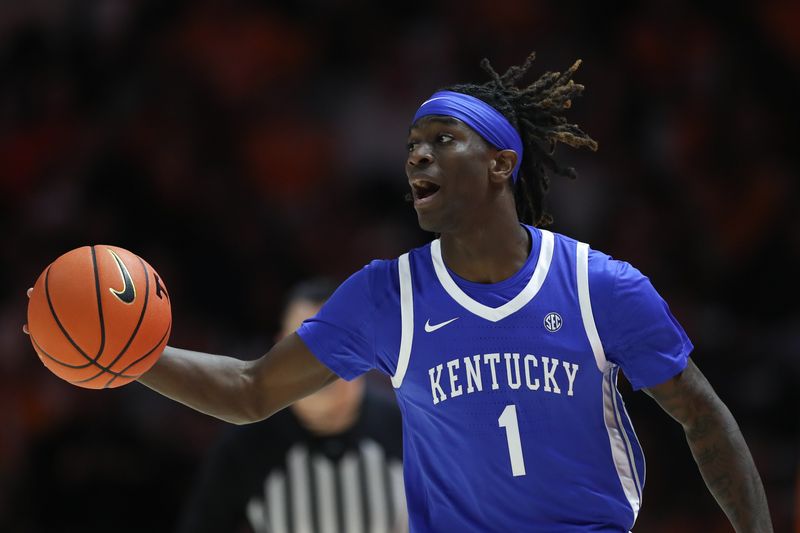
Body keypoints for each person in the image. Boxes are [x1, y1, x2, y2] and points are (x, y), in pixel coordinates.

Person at [26, 52, 773, 532]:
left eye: (443, 137)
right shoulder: (389, 296)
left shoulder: (599, 286)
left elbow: (703, 419)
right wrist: (133, 357)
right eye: (412, 141)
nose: (417, 151)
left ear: (500, 163)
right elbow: (253, 389)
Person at [175, 279, 406, 533]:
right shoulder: (246, 445)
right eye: (305, 346)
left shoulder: (410, 426)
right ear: (280, 350)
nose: (322, 361)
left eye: (340, 341)